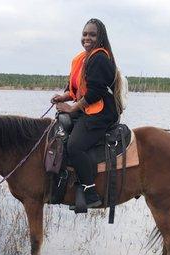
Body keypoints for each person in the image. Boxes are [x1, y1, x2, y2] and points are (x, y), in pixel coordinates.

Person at [51, 18, 124, 208]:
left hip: (102, 112)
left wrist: (72, 108)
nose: (87, 38)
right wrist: (63, 98)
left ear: (100, 38)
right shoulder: (82, 58)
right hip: (89, 108)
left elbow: (95, 93)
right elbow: (77, 90)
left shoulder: (100, 58)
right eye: (85, 34)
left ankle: (89, 191)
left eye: (92, 34)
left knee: (75, 146)